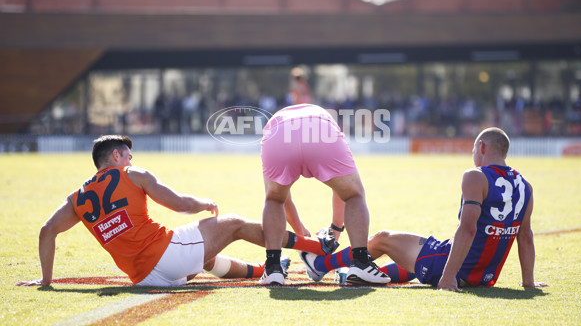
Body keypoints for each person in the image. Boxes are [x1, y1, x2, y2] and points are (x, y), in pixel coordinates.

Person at [16, 135, 335, 288]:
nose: (131, 158)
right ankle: (316, 249)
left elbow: (47, 231)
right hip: (164, 257)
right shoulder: (131, 173)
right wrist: (204, 205)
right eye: (128, 154)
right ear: (116, 155)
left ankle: (264, 268)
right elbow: (179, 204)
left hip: (143, 278)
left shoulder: (78, 197)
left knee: (205, 255)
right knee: (234, 223)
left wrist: (45, 281)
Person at [302, 127, 548, 290]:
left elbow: (468, 229)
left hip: (455, 269)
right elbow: (525, 237)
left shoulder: (476, 176)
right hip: (484, 276)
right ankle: (350, 275)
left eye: (474, 150)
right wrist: (529, 283)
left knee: (381, 239)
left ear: (482, 147)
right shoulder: (526, 186)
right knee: (418, 258)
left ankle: (320, 266)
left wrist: (449, 276)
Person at [259, 103, 391, 286]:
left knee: (273, 199)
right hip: (320, 126)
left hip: (278, 131)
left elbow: (281, 199)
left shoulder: (281, 116)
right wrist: (335, 230)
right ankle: (360, 262)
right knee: (354, 194)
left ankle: (273, 268)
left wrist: (301, 233)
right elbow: (343, 192)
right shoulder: (328, 119)